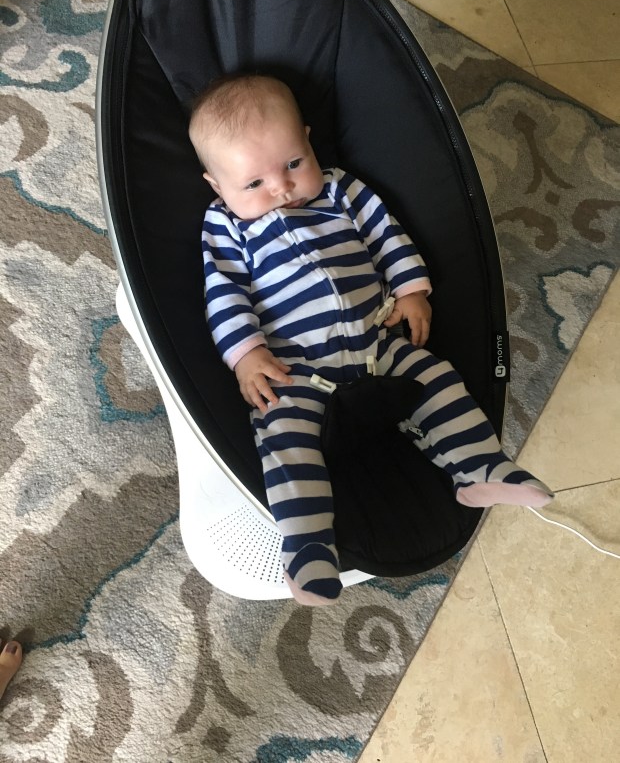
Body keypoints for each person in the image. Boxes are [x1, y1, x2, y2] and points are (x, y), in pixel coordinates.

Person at [189, 74, 553, 607]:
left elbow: (387, 235)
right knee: (283, 436)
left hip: (377, 342)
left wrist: (411, 290)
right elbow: (223, 292)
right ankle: (309, 546)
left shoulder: (340, 190)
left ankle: (479, 467)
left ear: (309, 140)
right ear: (218, 186)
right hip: (295, 367)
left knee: (437, 378)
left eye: (294, 163)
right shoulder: (226, 227)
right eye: (253, 184)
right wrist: (246, 354)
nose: (282, 188)